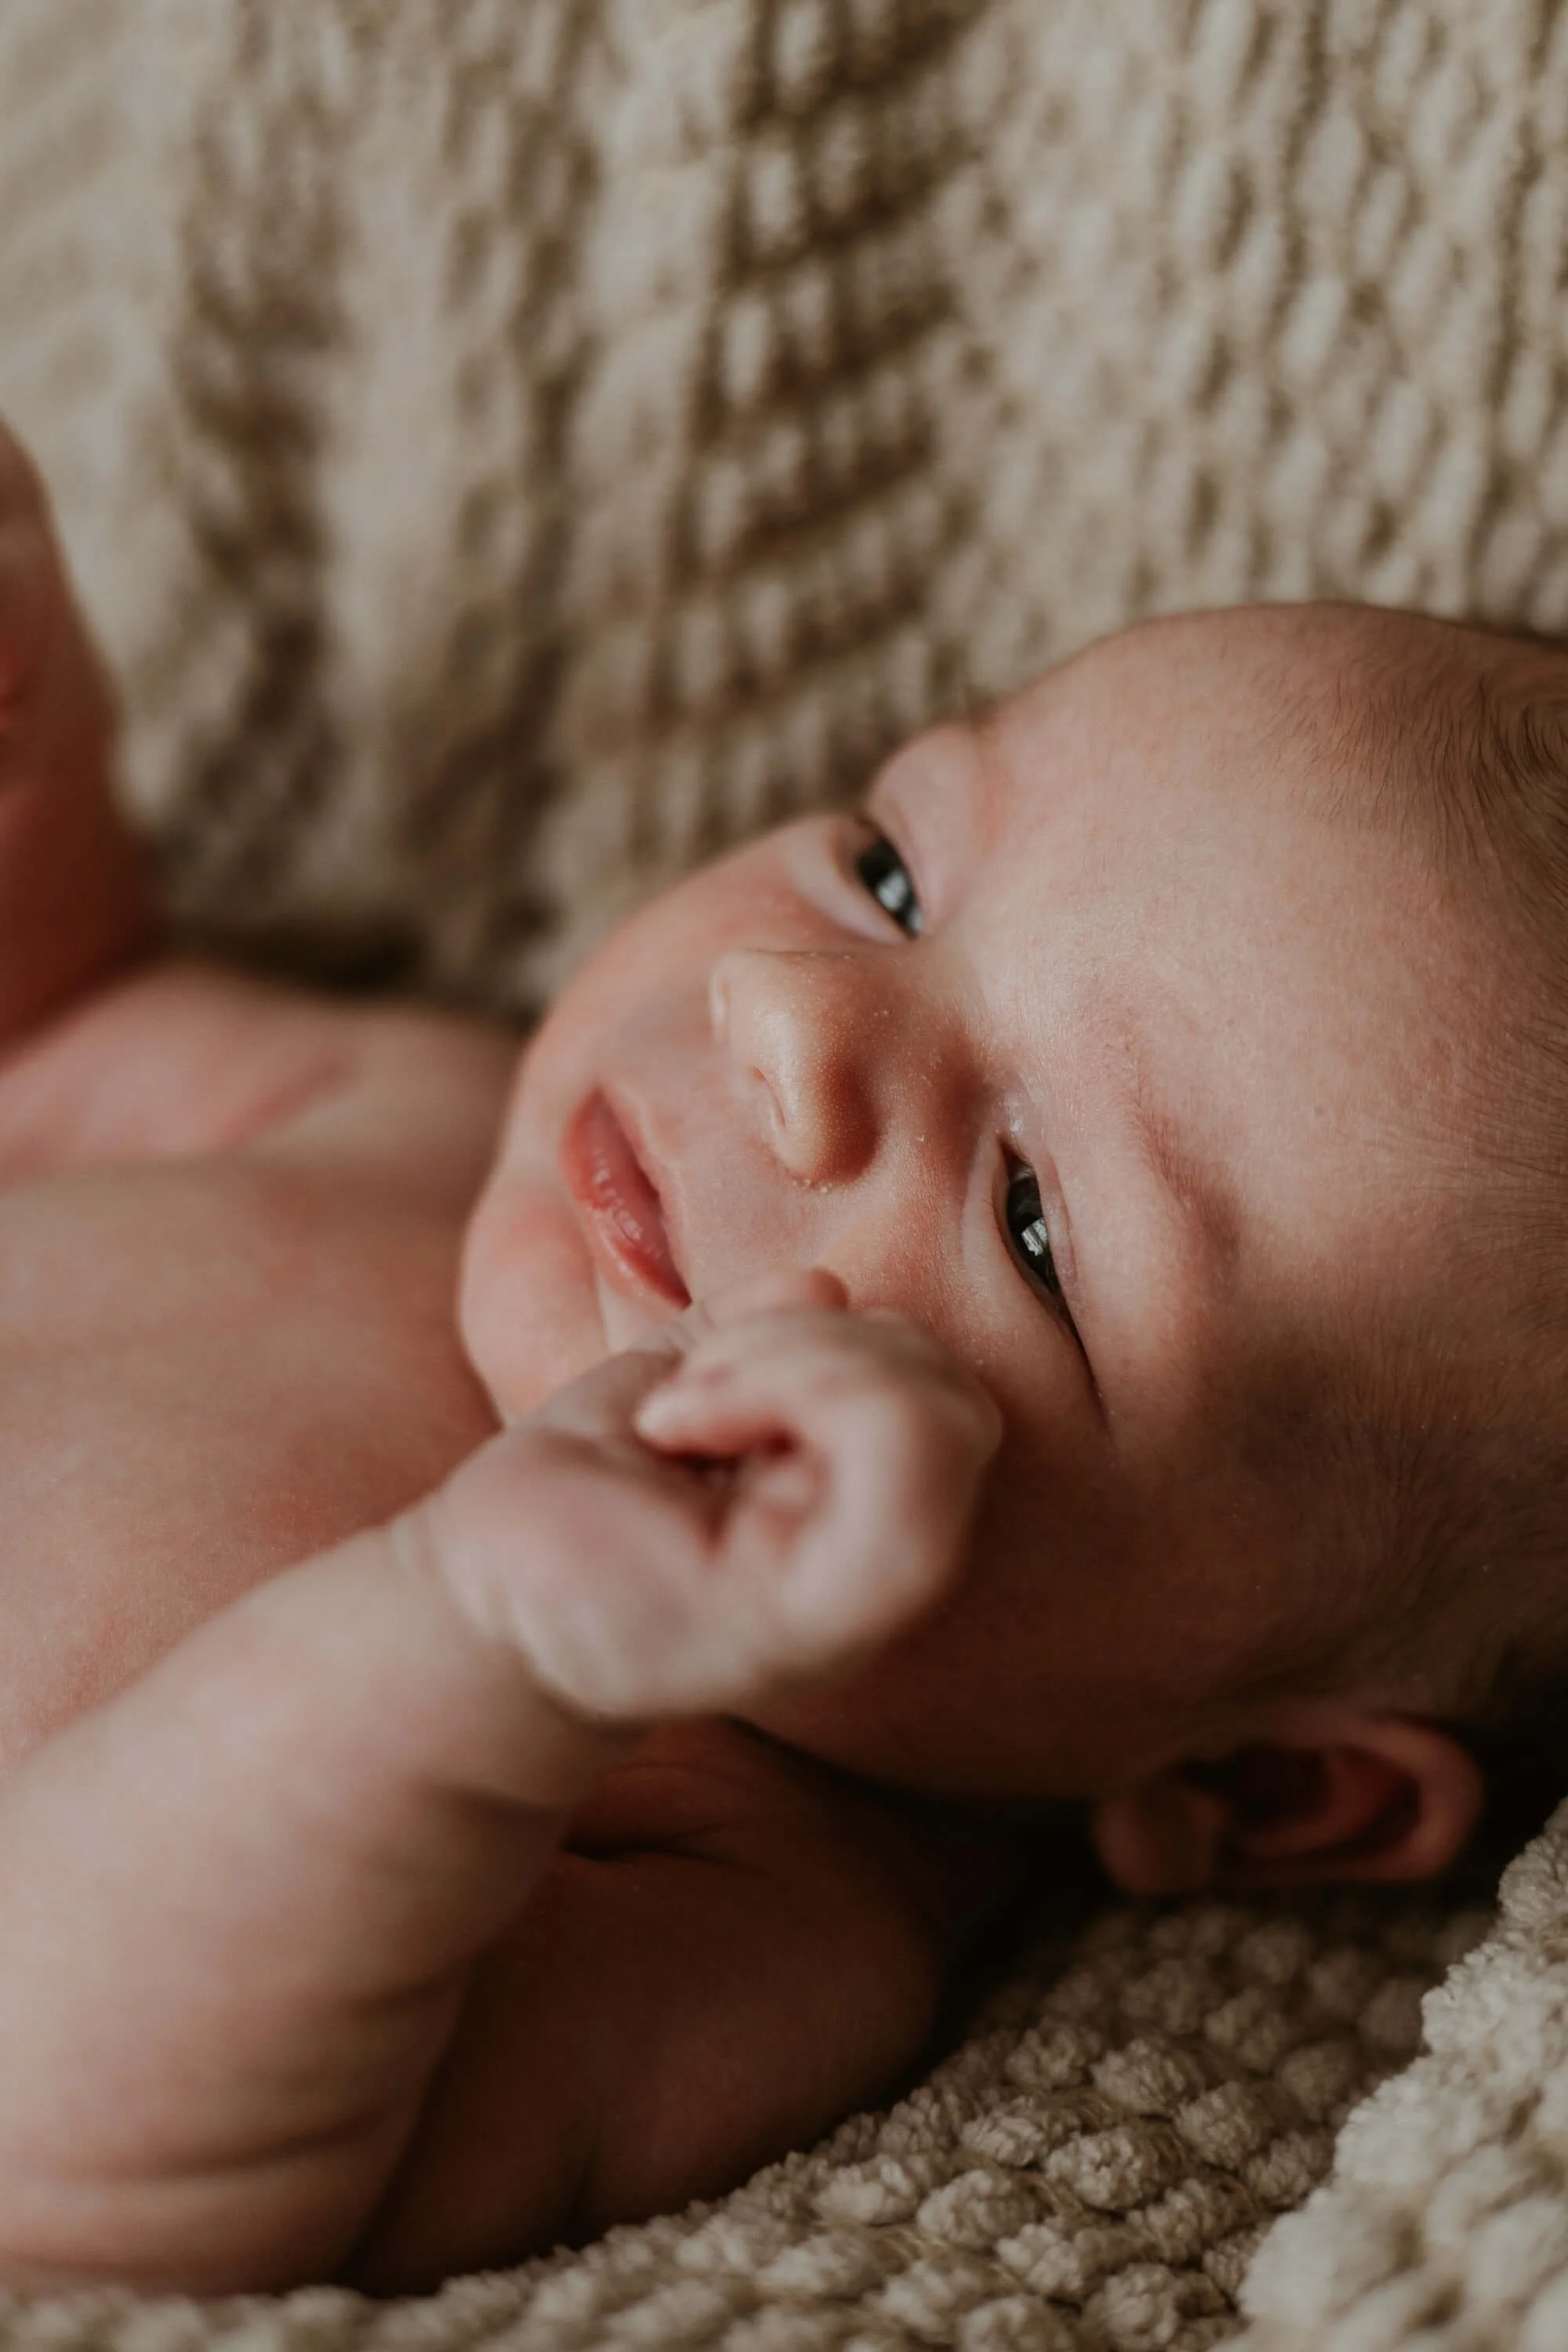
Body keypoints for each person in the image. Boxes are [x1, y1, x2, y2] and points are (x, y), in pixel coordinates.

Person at [0, 415, 1559, 2294]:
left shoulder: (750, 1886)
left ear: (1260, 1791)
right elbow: (59, 1039)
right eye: (892, 879)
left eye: (1035, 1222)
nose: (787, 1017)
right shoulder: (406, 1110)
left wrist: (480, 1638)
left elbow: (77, 2158)